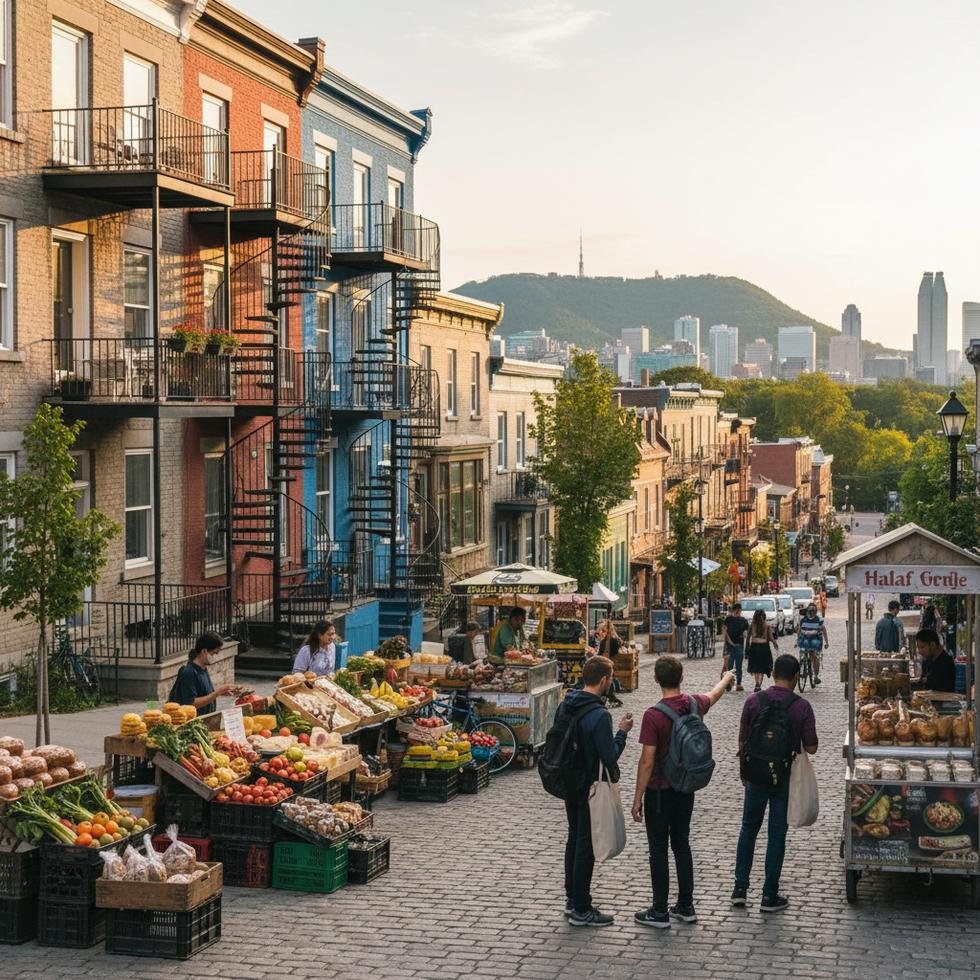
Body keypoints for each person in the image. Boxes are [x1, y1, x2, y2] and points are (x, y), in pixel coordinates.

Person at [631, 657, 736, 928]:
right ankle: (686, 905)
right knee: (681, 844)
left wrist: (637, 797)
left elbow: (647, 761)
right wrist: (726, 678)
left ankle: (659, 911)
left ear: (656, 679)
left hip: (659, 792)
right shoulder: (693, 704)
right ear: (681, 678)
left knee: (658, 850)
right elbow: (714, 694)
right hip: (685, 788)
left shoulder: (653, 715)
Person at [732, 653, 818, 913]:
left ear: (772, 674)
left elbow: (742, 740)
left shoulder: (753, 701)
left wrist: (744, 771)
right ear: (796, 677)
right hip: (784, 776)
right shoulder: (802, 707)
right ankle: (769, 895)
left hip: (756, 774)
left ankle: (740, 889)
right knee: (776, 834)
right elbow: (812, 747)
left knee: (748, 829)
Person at [559, 656, 633, 927]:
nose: (611, 682)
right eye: (610, 678)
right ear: (603, 680)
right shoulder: (600, 714)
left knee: (573, 839)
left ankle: (572, 898)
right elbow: (609, 755)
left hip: (569, 780)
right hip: (590, 785)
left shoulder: (567, 704)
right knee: (585, 846)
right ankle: (581, 908)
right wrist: (622, 733)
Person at [169, 632, 241, 711]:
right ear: (204, 651)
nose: (215, 657)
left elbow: (202, 692)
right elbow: (191, 703)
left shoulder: (203, 669)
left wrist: (222, 692)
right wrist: (217, 693)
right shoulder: (189, 672)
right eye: (214, 653)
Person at [746, 608, 778, 693]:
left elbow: (748, 638)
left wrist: (746, 649)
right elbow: (770, 637)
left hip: (754, 647)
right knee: (763, 667)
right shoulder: (766, 626)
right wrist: (775, 643)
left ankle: (757, 683)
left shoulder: (752, 625)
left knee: (756, 667)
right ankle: (759, 684)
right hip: (764, 647)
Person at [797, 603, 828, 686]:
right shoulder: (803, 620)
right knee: (803, 652)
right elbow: (799, 631)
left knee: (814, 656)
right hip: (805, 641)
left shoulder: (818, 620)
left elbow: (823, 630)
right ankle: (803, 664)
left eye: (813, 611)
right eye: (810, 611)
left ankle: (815, 676)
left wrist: (826, 642)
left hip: (815, 641)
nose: (811, 612)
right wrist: (798, 640)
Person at [722, 603, 749, 692]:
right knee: (736, 666)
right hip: (736, 645)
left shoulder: (729, 619)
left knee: (732, 666)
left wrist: (729, 641)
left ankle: (731, 684)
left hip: (733, 645)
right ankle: (736, 684)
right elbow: (745, 634)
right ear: (739, 610)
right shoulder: (742, 620)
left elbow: (725, 632)